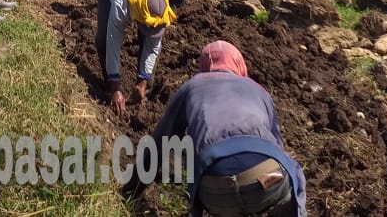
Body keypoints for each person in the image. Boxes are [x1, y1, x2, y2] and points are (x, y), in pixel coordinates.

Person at [127, 40, 306, 217]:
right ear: (239, 64)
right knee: (293, 174)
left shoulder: (192, 87)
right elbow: (278, 148)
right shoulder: (259, 91)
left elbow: (161, 143)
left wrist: (131, 191)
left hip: (215, 192)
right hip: (267, 183)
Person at [96, 0, 177, 114]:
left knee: (148, 45)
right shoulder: (121, 4)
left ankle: (142, 93)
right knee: (103, 40)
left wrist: (143, 81)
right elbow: (113, 43)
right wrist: (116, 87)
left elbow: (153, 47)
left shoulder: (161, 10)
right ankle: (110, 88)